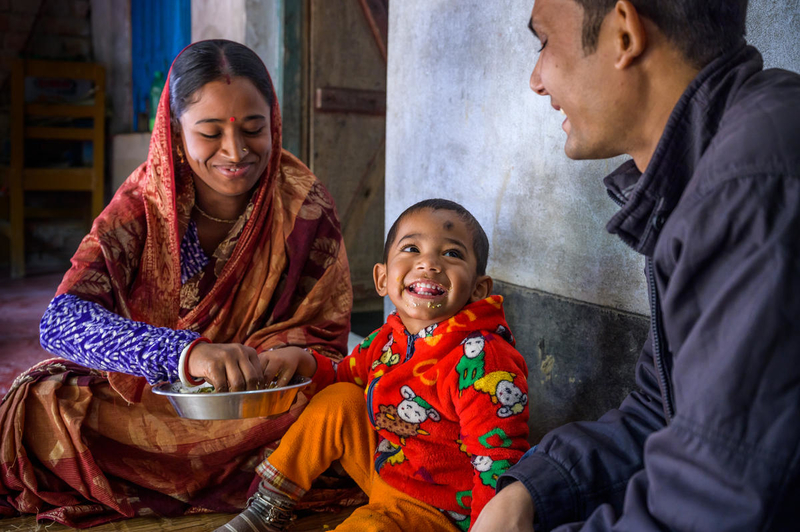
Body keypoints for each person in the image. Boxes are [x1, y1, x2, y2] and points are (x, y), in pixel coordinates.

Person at [472, 0, 800, 531]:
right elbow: (661, 408)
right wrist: (533, 491)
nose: (536, 79)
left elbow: (711, 507)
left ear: (624, 33)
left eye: (544, 43)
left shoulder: (751, 185)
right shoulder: (719, 159)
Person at [0, 40, 355, 528]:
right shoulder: (144, 202)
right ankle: (259, 484)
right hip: (161, 396)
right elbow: (61, 321)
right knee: (42, 408)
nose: (236, 152)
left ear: (272, 122)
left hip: (259, 407)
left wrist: (289, 359)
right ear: (174, 130)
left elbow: (325, 337)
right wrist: (185, 354)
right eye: (210, 133)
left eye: (254, 129)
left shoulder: (301, 202)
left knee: (342, 407)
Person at [219, 199, 531, 532]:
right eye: (412, 248)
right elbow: (342, 378)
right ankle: (268, 507)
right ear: (382, 278)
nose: (428, 263)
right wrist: (304, 361)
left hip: (437, 513)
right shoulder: (387, 337)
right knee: (340, 398)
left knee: (368, 526)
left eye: (452, 254)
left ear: (478, 289)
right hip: (388, 472)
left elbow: (498, 460)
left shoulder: (483, 358)